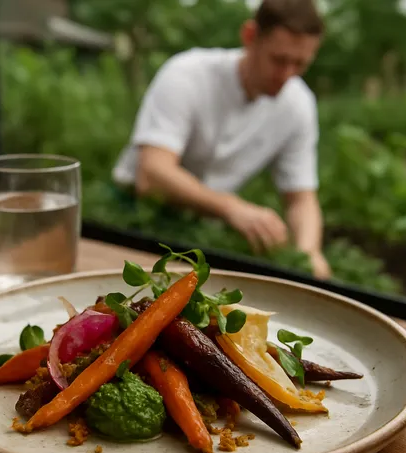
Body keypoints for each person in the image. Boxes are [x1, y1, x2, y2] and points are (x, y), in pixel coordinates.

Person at [112, 0, 330, 279]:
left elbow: (301, 198)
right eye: (278, 60)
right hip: (130, 215)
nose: (287, 75)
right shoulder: (187, 74)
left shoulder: (298, 104)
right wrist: (231, 207)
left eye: (300, 64)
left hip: (203, 228)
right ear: (250, 36)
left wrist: (309, 253)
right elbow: (152, 173)